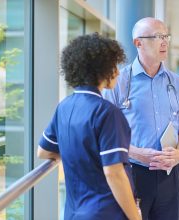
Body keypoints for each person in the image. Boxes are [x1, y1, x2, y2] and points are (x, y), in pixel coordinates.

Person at [37, 33, 140, 220]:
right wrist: (135, 217)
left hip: (73, 213)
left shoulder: (64, 107)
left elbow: (43, 152)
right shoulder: (107, 113)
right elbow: (114, 173)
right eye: (114, 66)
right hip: (105, 212)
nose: (117, 72)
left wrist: (80, 156)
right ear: (101, 70)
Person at [103, 17, 179, 220]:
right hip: (132, 173)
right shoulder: (118, 83)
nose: (164, 42)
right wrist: (137, 153)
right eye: (157, 37)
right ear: (138, 43)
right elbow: (106, 135)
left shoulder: (177, 83)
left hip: (169, 175)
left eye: (166, 36)